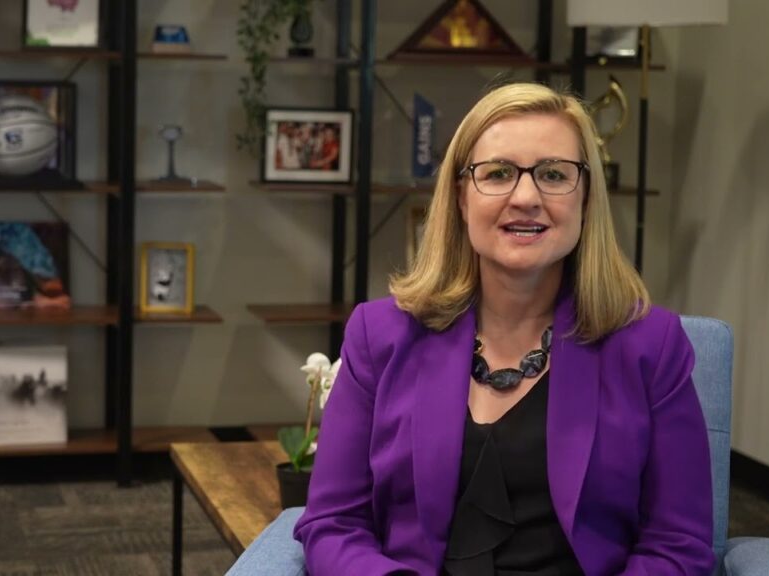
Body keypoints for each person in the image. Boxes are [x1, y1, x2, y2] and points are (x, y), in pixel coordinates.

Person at [293, 83, 714, 575]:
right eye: (498, 173)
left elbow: (679, 544)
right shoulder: (379, 336)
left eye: (554, 174)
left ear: (587, 198)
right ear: (461, 198)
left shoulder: (650, 347)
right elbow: (333, 522)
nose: (526, 197)